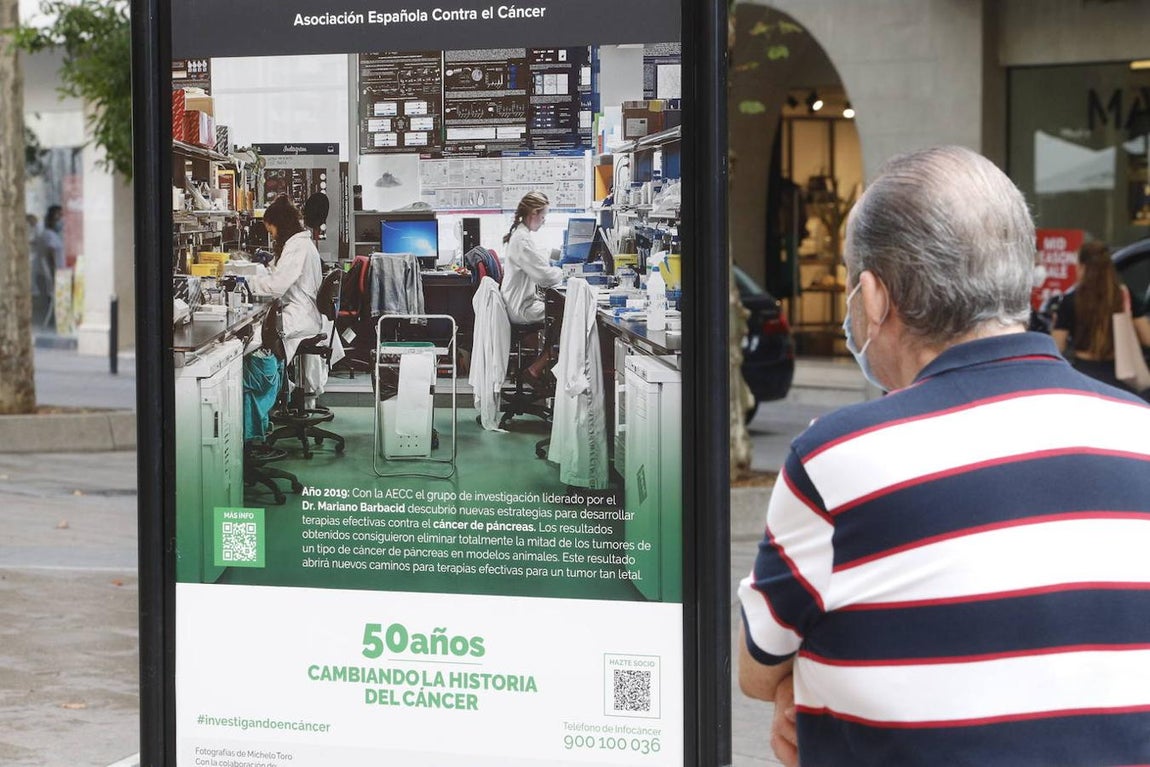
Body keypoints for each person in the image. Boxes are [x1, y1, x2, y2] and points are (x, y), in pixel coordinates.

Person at [737, 145, 1150, 767]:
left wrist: (813, 685)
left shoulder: (836, 459)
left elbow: (756, 663)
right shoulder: (1139, 435)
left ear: (874, 298)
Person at [1051, 240, 1150, 395]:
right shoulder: (1123, 296)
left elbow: (1058, 346)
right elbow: (1147, 337)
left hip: (1084, 373)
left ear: (1083, 267)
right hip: (1120, 375)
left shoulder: (1071, 300)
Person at [249, 195, 324, 396]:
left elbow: (276, 286)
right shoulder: (300, 243)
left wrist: (249, 283)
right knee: (259, 337)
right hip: (302, 312)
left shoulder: (297, 246)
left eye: (271, 231)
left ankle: (269, 394)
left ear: (280, 226)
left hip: (300, 316)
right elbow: (282, 274)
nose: (272, 236)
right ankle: (281, 390)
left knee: (250, 341)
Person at [500, 191, 563, 378]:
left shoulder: (521, 235)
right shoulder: (522, 240)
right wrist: (566, 271)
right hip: (521, 308)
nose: (544, 221)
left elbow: (537, 267)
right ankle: (541, 364)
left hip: (518, 303)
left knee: (560, 308)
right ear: (533, 213)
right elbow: (545, 277)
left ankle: (543, 361)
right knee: (569, 310)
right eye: (543, 216)